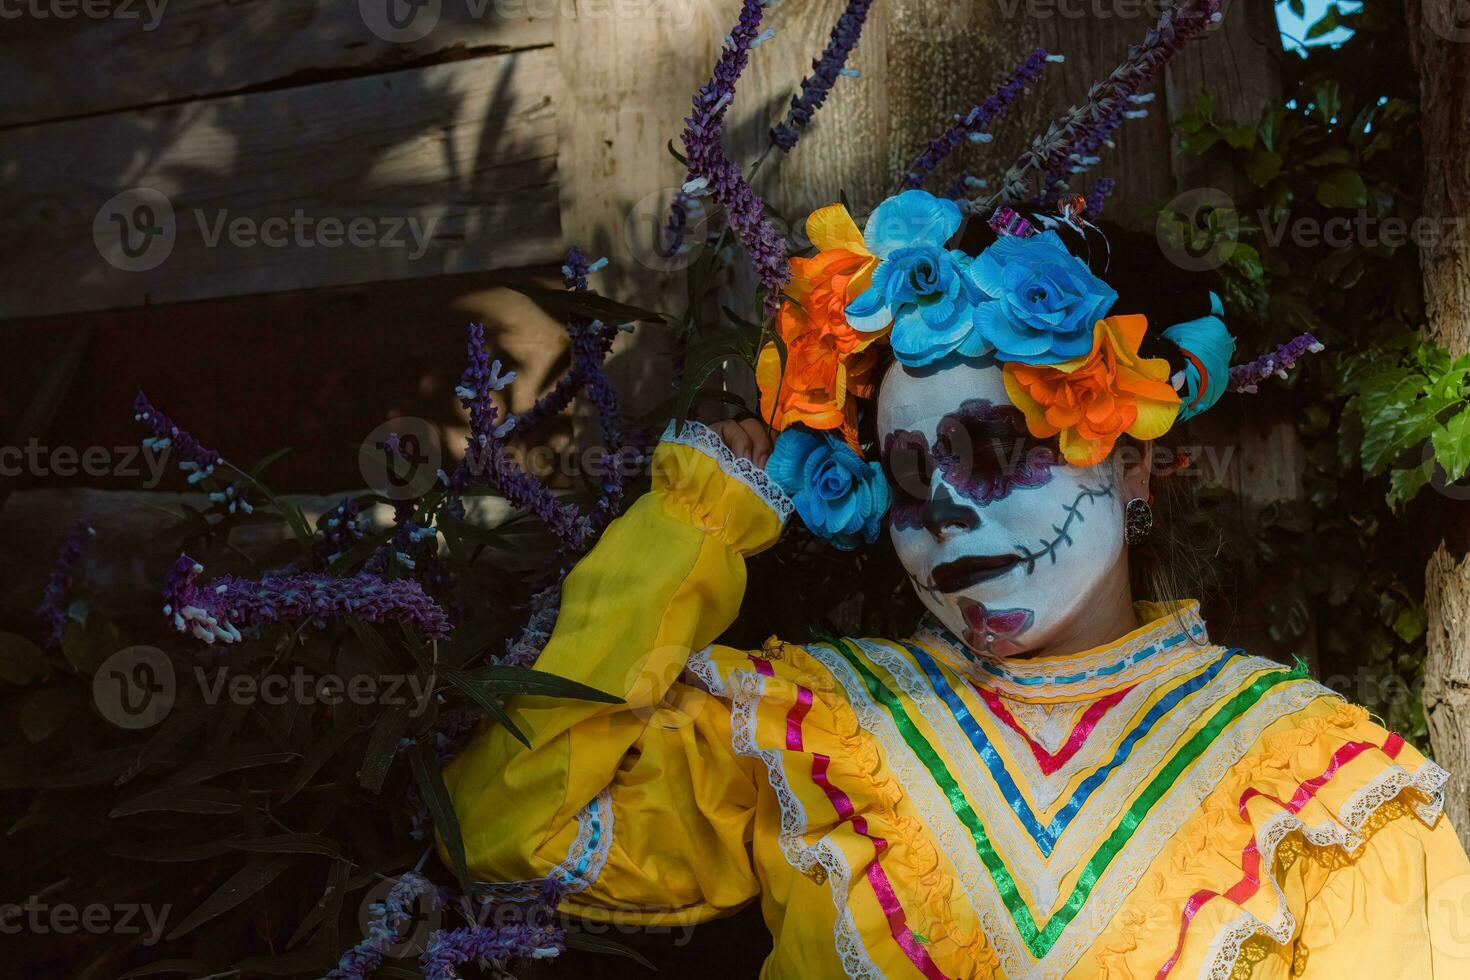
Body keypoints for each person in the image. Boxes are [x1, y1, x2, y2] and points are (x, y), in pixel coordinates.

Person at [443, 192, 1470, 979]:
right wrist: (694, 518)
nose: (940, 511)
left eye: (995, 445)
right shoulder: (807, 729)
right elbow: (507, 829)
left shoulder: (1324, 784)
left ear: (1136, 458)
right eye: (901, 473)